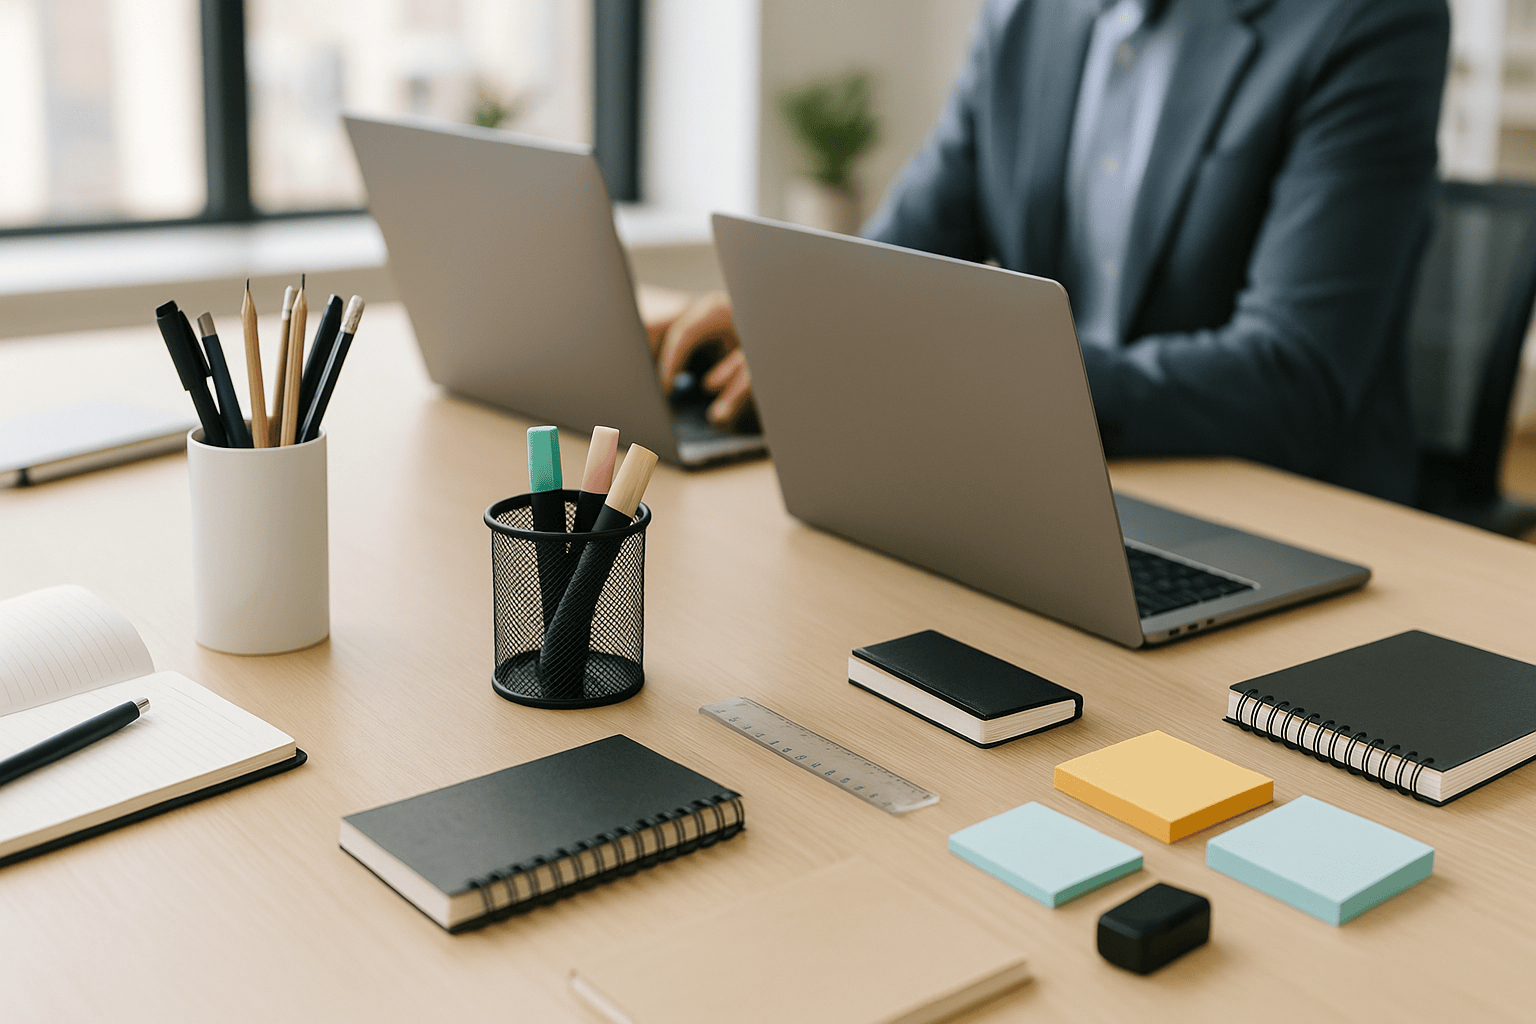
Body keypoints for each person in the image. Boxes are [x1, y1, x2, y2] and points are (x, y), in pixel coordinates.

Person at [650, 0, 1450, 502]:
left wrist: (988, 371)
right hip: (1043, 485)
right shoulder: (1024, 18)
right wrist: (793, 318)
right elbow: (900, 257)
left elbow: (1293, 380)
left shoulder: (1368, 19)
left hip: (1270, 507)